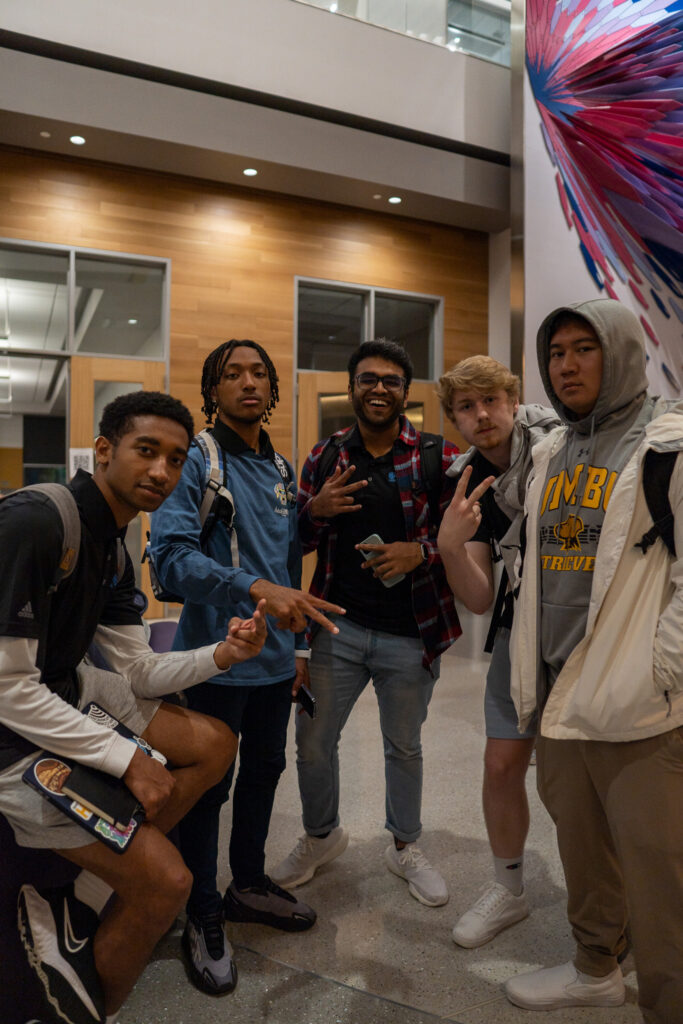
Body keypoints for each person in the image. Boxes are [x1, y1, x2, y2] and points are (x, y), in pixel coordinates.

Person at [0, 390, 268, 1024]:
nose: (162, 472)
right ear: (102, 450)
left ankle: (87, 899)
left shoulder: (116, 546)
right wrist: (124, 759)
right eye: (146, 451)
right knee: (168, 883)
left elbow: (138, 670)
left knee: (215, 743)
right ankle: (88, 1007)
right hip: (11, 719)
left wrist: (222, 657)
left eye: (176, 459)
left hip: (62, 688)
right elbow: (8, 687)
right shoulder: (37, 521)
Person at [504, 299, 683, 1024]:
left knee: (659, 876)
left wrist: (659, 672)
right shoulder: (551, 452)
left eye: (584, 349)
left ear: (619, 353)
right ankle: (594, 970)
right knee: (582, 853)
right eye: (555, 353)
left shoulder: (667, 443)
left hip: (637, 703)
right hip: (558, 693)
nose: (567, 365)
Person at [150, 340, 342, 996]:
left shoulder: (282, 467)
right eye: (232, 374)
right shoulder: (196, 462)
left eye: (258, 372)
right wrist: (253, 589)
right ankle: (201, 909)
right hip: (214, 660)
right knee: (209, 785)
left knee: (265, 771)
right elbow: (169, 560)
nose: (248, 382)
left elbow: (285, 568)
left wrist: (296, 652)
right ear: (213, 389)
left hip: (272, 662)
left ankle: (248, 884)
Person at [271, 339, 461, 908]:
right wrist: (313, 512)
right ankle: (322, 836)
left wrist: (420, 552)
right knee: (312, 743)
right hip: (336, 630)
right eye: (368, 379)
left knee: (403, 746)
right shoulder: (324, 457)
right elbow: (290, 547)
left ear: (406, 392)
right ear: (351, 387)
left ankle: (404, 845)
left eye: (391, 381)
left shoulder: (437, 455)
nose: (379, 388)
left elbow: (466, 538)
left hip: (412, 631)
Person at [436, 356, 558, 947]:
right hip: (519, 629)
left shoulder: (562, 447)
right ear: (454, 417)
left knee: (574, 778)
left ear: (513, 400)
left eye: (491, 400)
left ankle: (610, 898)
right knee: (500, 765)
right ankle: (508, 889)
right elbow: (480, 599)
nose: (481, 415)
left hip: (579, 629)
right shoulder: (468, 480)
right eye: (466, 406)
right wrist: (449, 547)